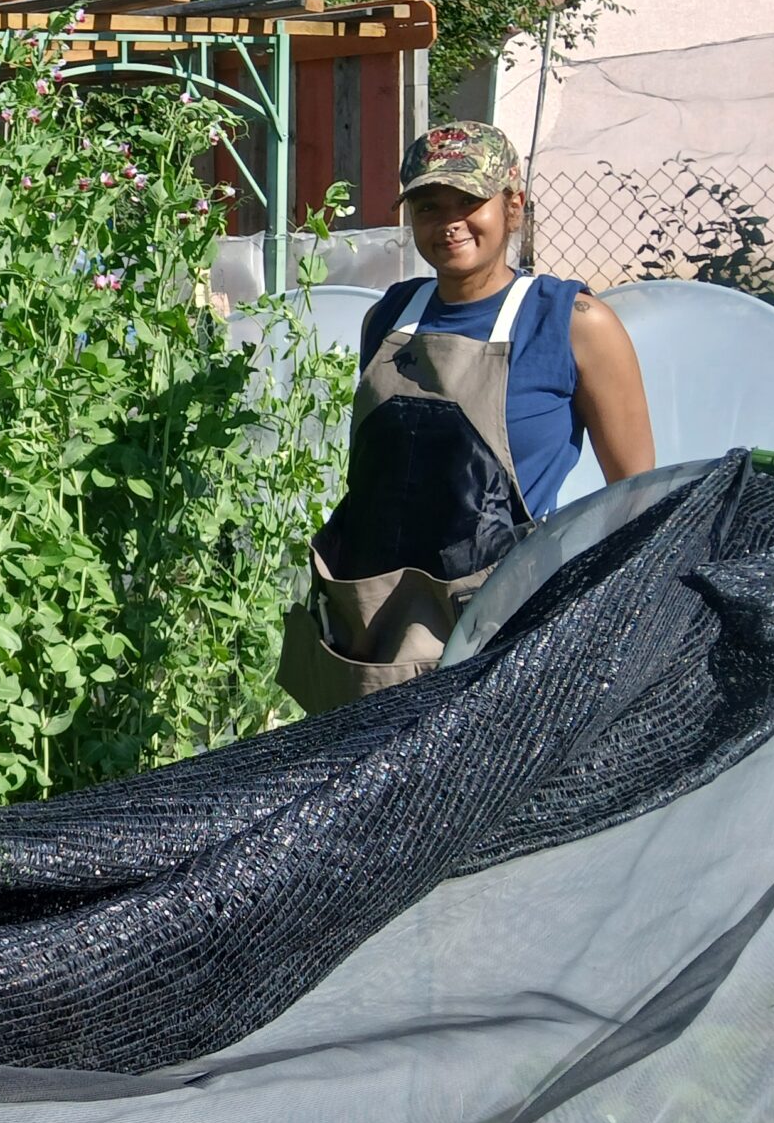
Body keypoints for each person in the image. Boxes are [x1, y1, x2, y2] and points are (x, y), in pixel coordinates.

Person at [278, 119, 653, 713]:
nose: (448, 221)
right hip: (370, 624)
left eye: (469, 201)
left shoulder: (574, 324)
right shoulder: (392, 317)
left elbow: (636, 499)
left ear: (513, 204)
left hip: (491, 630)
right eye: (429, 205)